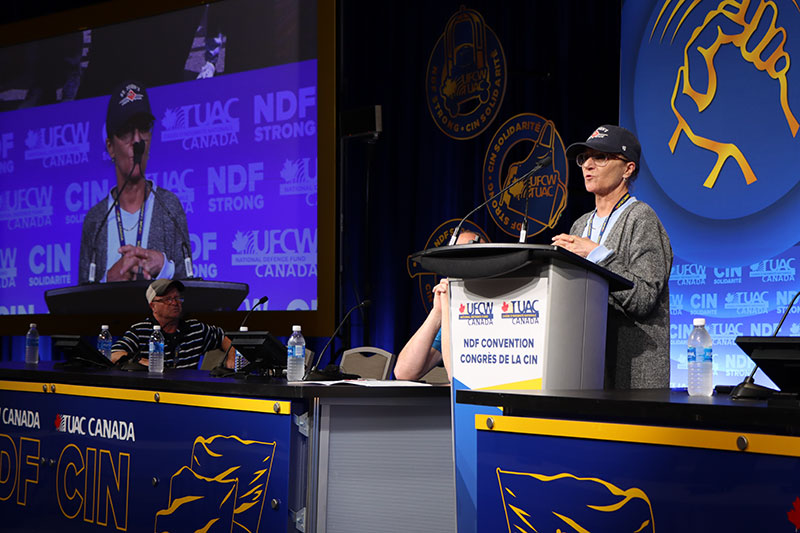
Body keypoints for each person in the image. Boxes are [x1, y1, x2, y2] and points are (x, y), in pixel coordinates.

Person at [552, 125, 672, 389]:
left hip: (632, 376)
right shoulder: (580, 226)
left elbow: (643, 298)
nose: (588, 166)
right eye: (584, 158)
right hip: (585, 369)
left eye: (601, 157)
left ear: (628, 168)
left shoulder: (641, 219)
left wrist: (596, 254)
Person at [79, 80, 190, 283]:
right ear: (111, 147)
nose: (137, 140)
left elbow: (190, 290)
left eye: (144, 128)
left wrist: (165, 267)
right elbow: (80, 305)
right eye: (126, 131)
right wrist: (107, 281)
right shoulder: (95, 220)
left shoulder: (170, 208)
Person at [394, 230, 483, 381]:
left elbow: (457, 377)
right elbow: (403, 372)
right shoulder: (454, 313)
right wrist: (438, 312)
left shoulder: (497, 309)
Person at [111, 279, 235, 369]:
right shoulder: (140, 331)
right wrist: (139, 360)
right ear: (153, 306)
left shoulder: (195, 329)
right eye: (168, 299)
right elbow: (113, 354)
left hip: (187, 393)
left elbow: (224, 337)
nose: (175, 303)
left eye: (177, 298)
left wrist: (232, 357)